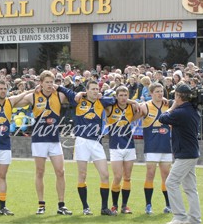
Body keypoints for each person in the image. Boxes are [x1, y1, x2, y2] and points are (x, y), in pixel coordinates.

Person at [57, 80, 133, 216]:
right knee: (82, 174)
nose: (95, 91)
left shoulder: (103, 101)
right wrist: (80, 93)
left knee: (105, 175)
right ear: (87, 90)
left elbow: (121, 100)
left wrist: (135, 103)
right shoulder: (78, 99)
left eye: (97, 89)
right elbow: (61, 88)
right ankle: (85, 207)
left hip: (96, 142)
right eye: (92, 89)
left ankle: (104, 208)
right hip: (81, 141)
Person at [14, 70, 73, 215]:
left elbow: (75, 98)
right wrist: (28, 90)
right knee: (40, 172)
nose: (49, 85)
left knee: (60, 171)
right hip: (39, 140)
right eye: (46, 82)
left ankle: (61, 204)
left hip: (54, 139)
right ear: (41, 83)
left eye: (51, 82)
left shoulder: (59, 95)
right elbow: (13, 103)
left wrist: (60, 87)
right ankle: (41, 205)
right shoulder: (33, 96)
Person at [0, 80, 34, 216]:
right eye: (0, 89)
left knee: (2, 176)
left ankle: (2, 206)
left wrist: (35, 89)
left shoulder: (10, 101)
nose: (3, 91)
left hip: (5, 145)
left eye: (5, 88)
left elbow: (24, 94)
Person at [159, 83, 201, 224]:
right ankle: (194, 219)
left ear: (178, 96)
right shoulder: (192, 110)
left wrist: (172, 106)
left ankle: (180, 216)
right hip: (190, 152)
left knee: (171, 183)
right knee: (190, 188)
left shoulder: (180, 112)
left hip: (185, 154)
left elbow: (162, 118)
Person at [105, 86, 141, 214]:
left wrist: (134, 102)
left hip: (129, 145)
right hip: (115, 146)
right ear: (116, 96)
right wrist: (133, 101)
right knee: (117, 177)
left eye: (125, 95)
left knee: (127, 177)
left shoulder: (131, 108)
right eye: (120, 95)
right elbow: (103, 100)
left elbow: (142, 110)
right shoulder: (111, 107)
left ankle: (124, 206)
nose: (123, 98)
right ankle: (114, 205)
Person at [140, 82, 172, 214]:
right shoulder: (145, 107)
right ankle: (148, 205)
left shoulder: (168, 105)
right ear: (150, 94)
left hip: (165, 146)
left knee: (166, 175)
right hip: (152, 146)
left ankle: (169, 205)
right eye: (157, 91)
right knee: (150, 174)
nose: (160, 94)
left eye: (161, 91)